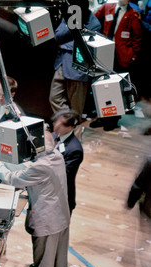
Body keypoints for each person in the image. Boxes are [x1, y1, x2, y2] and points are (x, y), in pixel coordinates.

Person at [0, 131, 71, 267]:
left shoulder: (39, 166)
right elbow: (26, 168)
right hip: (61, 216)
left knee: (45, 264)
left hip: (47, 221)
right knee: (59, 262)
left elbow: (13, 179)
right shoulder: (56, 155)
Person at [91, 0, 143, 131]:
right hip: (105, 53)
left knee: (116, 89)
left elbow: (137, 37)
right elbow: (94, 19)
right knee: (101, 86)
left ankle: (113, 119)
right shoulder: (107, 7)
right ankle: (102, 117)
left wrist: (132, 55)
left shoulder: (133, 14)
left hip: (121, 57)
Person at [49, 0, 101, 117]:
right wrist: (73, 27)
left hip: (78, 69)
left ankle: (73, 129)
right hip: (62, 63)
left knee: (76, 107)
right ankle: (67, 122)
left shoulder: (94, 24)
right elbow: (58, 36)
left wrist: (66, 42)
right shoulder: (70, 15)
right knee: (54, 97)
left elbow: (85, 48)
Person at [51, 109, 84, 215]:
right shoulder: (53, 136)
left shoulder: (75, 150)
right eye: (56, 122)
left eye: (61, 125)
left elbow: (62, 175)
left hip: (61, 200)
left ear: (70, 127)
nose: (56, 126)